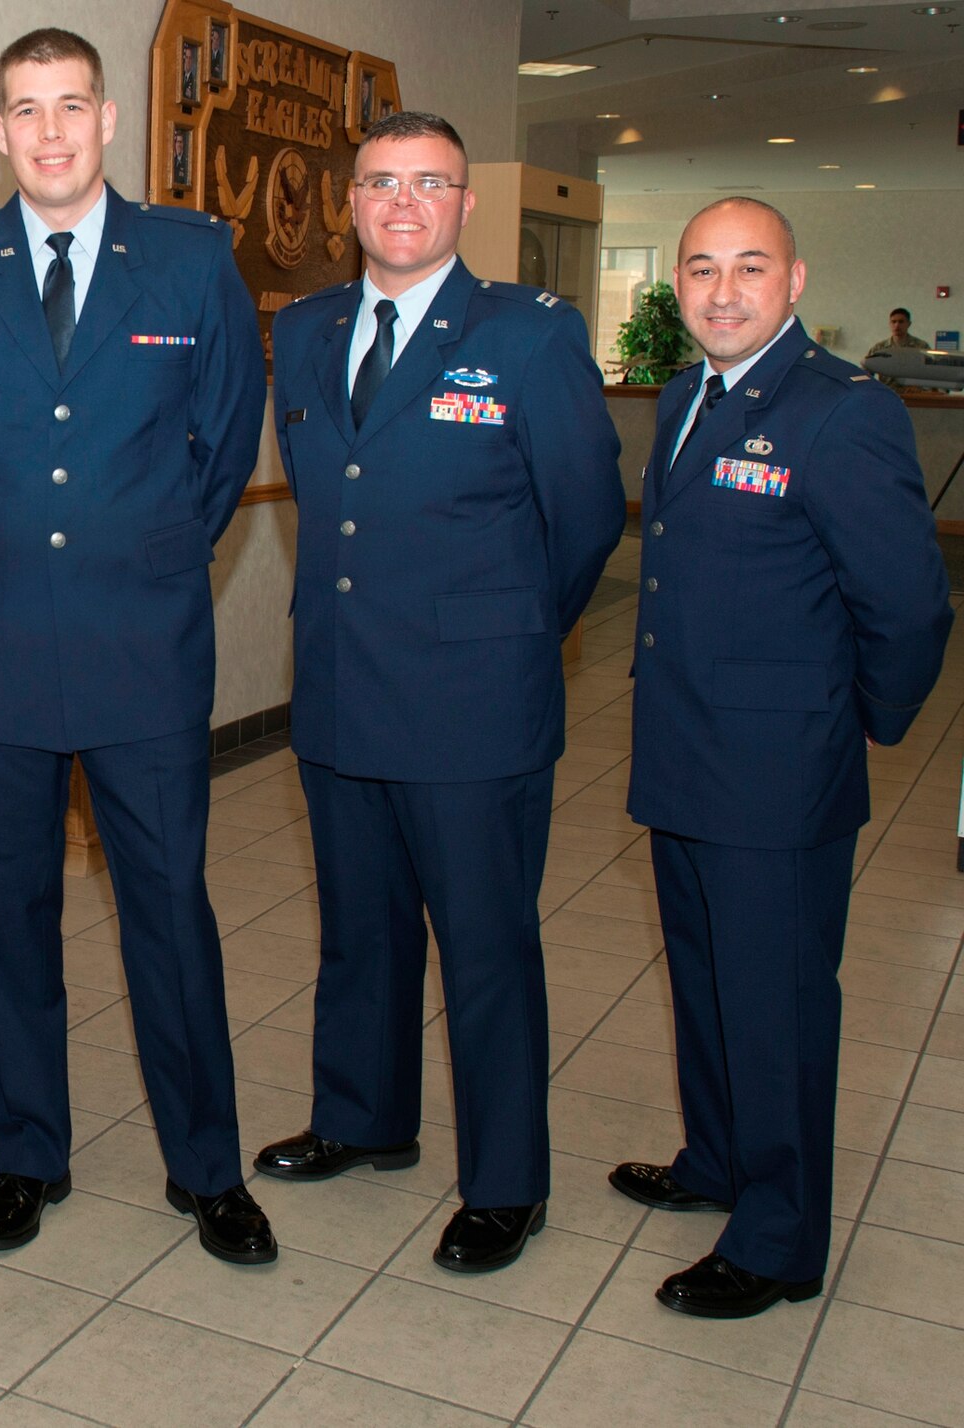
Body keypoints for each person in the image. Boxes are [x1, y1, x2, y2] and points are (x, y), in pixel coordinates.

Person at [0, 27, 275, 1265]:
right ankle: (24, 1159)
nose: (47, 132)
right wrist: (4, 542)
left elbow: (221, 447)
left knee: (168, 913)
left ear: (104, 120)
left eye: (68, 107)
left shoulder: (190, 260)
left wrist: (137, 548)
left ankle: (205, 1168)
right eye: (22, 111)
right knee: (16, 917)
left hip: (143, 648)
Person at [254, 111, 623, 1273]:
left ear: (466, 204)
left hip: (473, 706)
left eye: (428, 184)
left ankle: (505, 1182)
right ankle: (363, 1119)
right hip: (339, 691)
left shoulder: (524, 335)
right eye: (378, 183)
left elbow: (585, 517)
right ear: (348, 204)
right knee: (357, 935)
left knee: (482, 948)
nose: (401, 203)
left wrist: (510, 639)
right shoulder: (307, 329)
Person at [614, 197, 951, 1318]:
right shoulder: (682, 395)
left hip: (773, 772)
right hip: (681, 750)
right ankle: (715, 1160)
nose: (720, 292)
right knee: (707, 984)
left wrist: (853, 720)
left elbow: (906, 607)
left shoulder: (837, 412)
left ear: (792, 283)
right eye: (700, 269)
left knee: (776, 1007)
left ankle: (776, 1238)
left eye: (746, 268)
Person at [864, 306, 931, 390]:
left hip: (914, 394)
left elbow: (930, 372)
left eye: (901, 322)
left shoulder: (921, 346)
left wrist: (919, 387)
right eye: (893, 322)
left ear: (909, 324)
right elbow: (866, 371)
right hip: (887, 393)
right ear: (890, 324)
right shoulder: (880, 348)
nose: (897, 325)